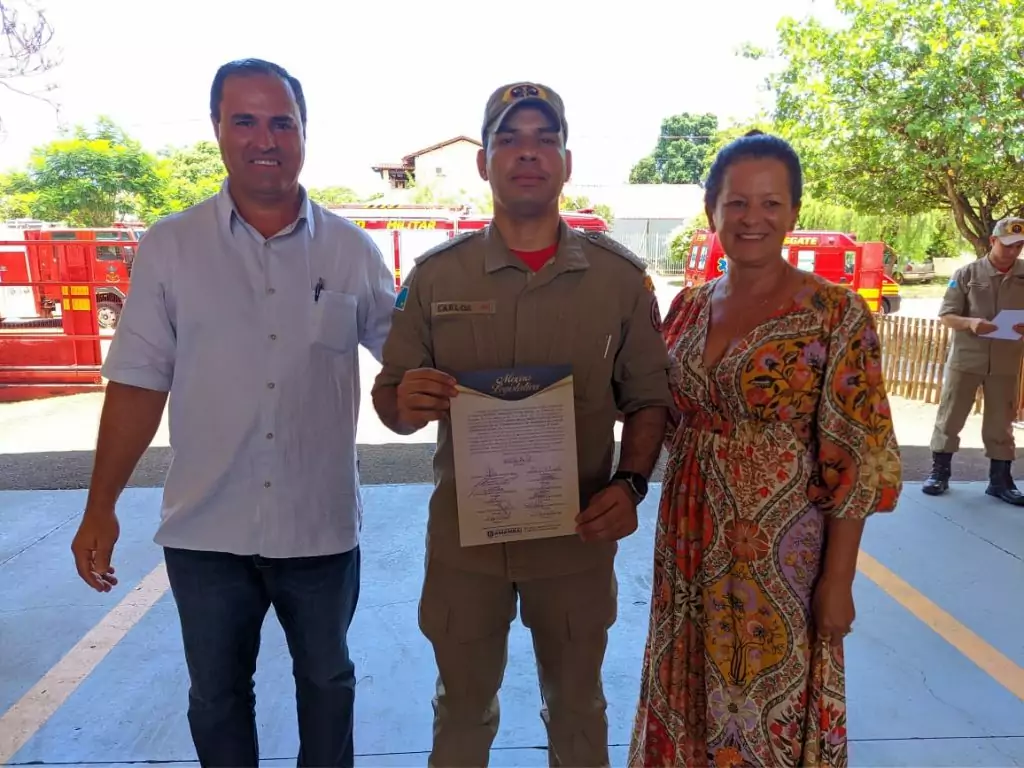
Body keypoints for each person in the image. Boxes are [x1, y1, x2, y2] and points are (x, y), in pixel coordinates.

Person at [69, 58, 396, 767]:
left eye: (282, 121)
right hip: (206, 529)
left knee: (328, 684)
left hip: (320, 527)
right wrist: (100, 506)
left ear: (305, 132)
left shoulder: (352, 251)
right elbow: (135, 384)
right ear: (217, 128)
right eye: (243, 120)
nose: (264, 138)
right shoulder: (171, 247)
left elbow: (406, 365)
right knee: (216, 697)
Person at [371, 81, 673, 766]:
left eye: (545, 139)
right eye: (509, 139)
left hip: (575, 541)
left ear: (566, 162)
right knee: (462, 712)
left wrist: (630, 486)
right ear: (484, 162)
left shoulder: (618, 281)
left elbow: (649, 399)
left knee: (577, 712)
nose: (527, 153)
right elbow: (391, 402)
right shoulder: (436, 280)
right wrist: (403, 402)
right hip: (465, 548)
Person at [628, 131, 902, 767]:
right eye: (737, 203)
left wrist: (838, 580)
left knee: (765, 691)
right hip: (689, 537)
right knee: (690, 676)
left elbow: (857, 457)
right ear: (712, 212)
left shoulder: (834, 313)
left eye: (771, 203)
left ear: (793, 214)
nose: (753, 218)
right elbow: (654, 408)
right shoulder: (688, 307)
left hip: (782, 551)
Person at [922, 216, 1024, 505]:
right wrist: (970, 323)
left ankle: (1000, 480)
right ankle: (939, 473)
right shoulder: (967, 274)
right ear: (992, 241)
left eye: (1018, 246)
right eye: (1007, 245)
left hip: (1005, 361)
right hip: (966, 359)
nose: (1013, 252)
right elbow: (946, 315)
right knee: (951, 415)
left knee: (1001, 421)